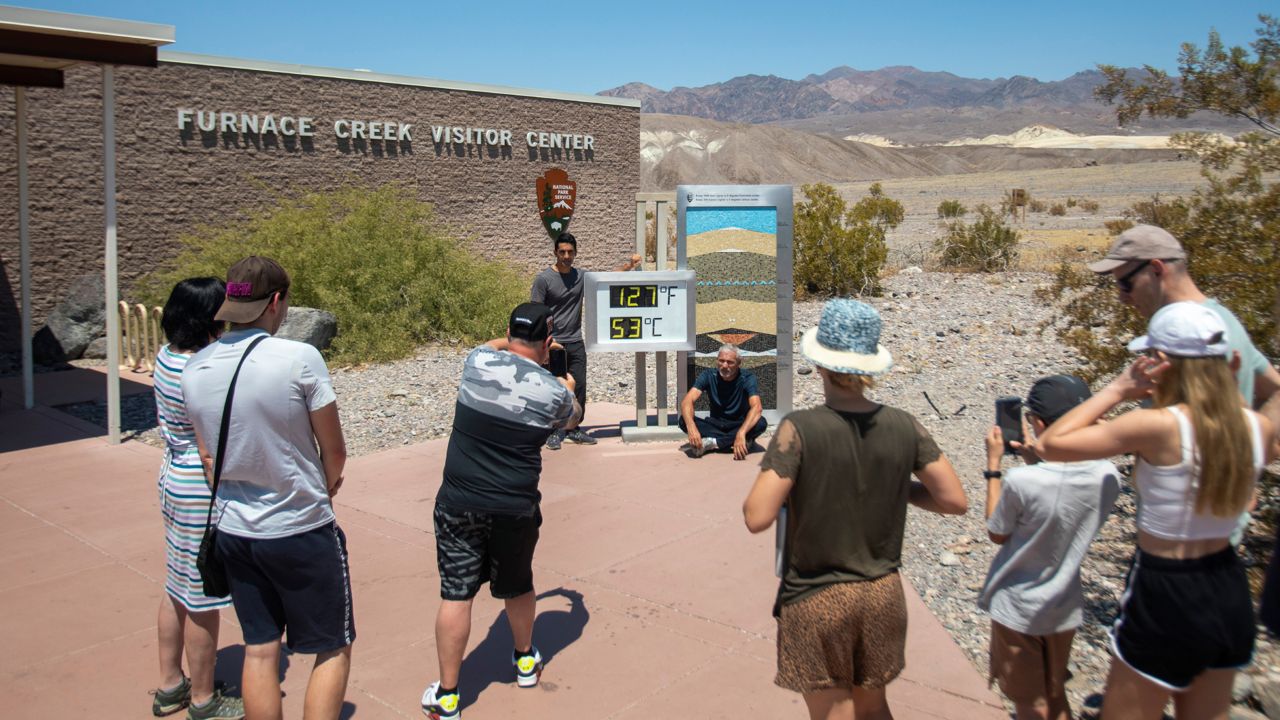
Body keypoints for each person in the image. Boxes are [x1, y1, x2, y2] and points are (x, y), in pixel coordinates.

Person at [1037, 302, 1275, 720]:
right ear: (1229, 360)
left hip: (1166, 587)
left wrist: (1118, 390)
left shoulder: (1155, 426)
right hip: (1227, 583)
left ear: (1161, 363)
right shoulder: (1256, 428)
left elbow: (1052, 445)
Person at [742, 299, 968, 720]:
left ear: (821, 364)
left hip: (816, 594)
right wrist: (898, 487)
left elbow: (757, 515)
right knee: (874, 706)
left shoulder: (800, 429)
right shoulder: (906, 425)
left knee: (835, 711)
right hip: (883, 594)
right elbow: (953, 500)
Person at [183, 256, 353, 720]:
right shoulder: (299, 358)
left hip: (235, 532)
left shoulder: (194, 368)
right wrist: (321, 487)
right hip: (299, 526)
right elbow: (334, 452)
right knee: (332, 647)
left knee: (260, 650)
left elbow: (206, 458)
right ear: (275, 302)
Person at [421, 302, 579, 720]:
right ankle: (525, 660)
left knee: (456, 594)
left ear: (509, 333)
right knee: (518, 584)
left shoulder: (477, 362)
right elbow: (571, 420)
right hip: (515, 508)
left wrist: (514, 341)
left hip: (458, 502)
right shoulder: (554, 392)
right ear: (548, 342)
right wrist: (567, 385)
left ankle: (449, 696)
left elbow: (493, 344)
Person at [979, 375, 1120, 720]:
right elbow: (1060, 495)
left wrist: (994, 466)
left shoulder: (1023, 482)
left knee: (1030, 703)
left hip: (1020, 605)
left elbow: (997, 531)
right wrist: (1038, 458)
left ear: (1038, 424)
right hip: (1064, 602)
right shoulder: (1107, 476)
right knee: (1054, 692)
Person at [150, 278, 245, 720]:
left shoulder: (166, 357)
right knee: (205, 598)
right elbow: (212, 445)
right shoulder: (202, 369)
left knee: (177, 588)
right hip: (199, 488)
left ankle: (171, 685)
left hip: (172, 477)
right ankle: (205, 699)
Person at [1088, 223, 1280, 427]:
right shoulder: (1222, 318)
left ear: (1156, 269)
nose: (1122, 298)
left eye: (1126, 285)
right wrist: (1257, 442)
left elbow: (1181, 431)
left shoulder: (1188, 332)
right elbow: (1274, 390)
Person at [530, 230, 640, 450]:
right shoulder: (544, 279)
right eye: (562, 251)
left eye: (570, 252)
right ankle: (553, 431)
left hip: (575, 341)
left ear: (575, 253)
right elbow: (535, 312)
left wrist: (628, 266)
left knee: (579, 387)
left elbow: (605, 279)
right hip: (553, 344)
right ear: (555, 252)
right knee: (554, 387)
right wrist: (546, 342)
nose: (566, 256)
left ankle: (573, 429)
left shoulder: (580, 277)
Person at [678, 343, 767, 459]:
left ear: (739, 363)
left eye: (730, 362)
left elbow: (757, 407)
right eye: (721, 361)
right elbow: (687, 401)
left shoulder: (747, 378)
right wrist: (691, 427)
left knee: (761, 423)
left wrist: (741, 432)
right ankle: (736, 441)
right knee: (683, 420)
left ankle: (713, 443)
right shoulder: (708, 375)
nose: (724, 365)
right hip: (715, 425)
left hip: (738, 424)